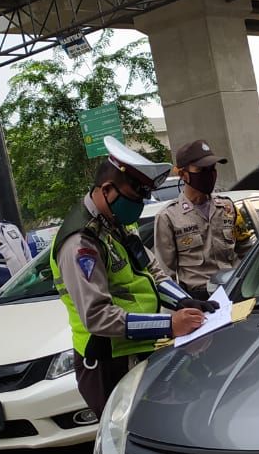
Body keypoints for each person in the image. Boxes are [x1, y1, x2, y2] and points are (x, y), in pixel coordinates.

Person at [52, 137, 213, 418]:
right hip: (108, 362)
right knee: (128, 442)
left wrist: (184, 301)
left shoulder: (117, 224)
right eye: (135, 195)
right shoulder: (81, 243)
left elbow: (151, 270)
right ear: (107, 190)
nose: (139, 203)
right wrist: (170, 324)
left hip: (138, 351)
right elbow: (98, 317)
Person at [153, 139, 255, 299]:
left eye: (212, 168)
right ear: (182, 174)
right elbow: (165, 274)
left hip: (235, 293)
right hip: (199, 301)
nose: (209, 174)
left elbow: (248, 252)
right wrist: (182, 308)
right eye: (201, 170)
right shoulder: (168, 217)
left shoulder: (228, 208)